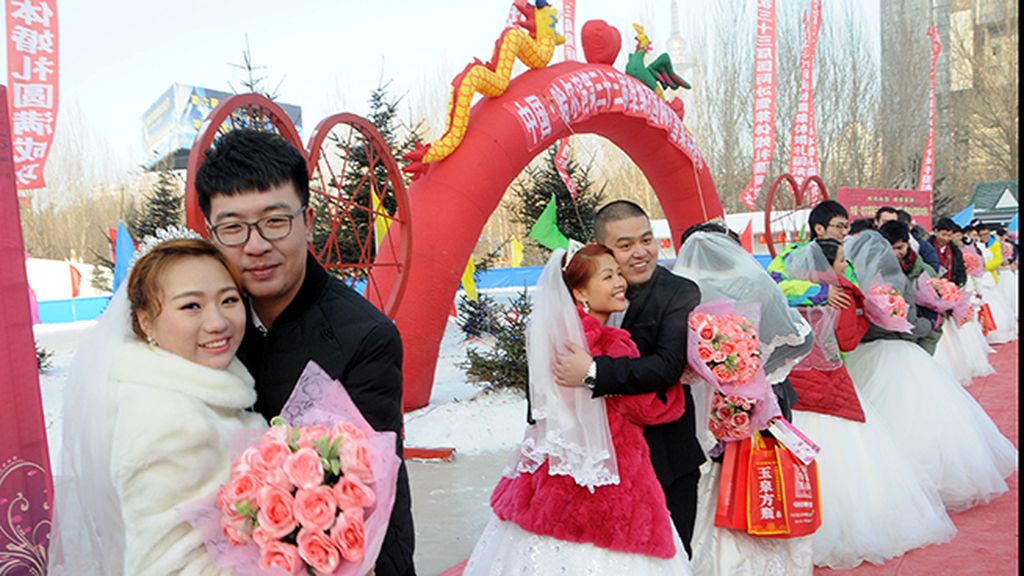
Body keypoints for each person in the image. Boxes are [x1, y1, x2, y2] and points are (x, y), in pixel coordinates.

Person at [194, 128, 415, 575]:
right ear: (211, 233)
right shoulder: (203, 328)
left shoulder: (363, 337)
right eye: (233, 227)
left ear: (308, 221)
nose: (256, 246)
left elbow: (367, 493)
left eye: (275, 221)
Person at [465, 245, 693, 574]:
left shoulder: (555, 338)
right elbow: (650, 410)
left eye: (618, 273)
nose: (620, 282)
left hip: (552, 478)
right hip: (613, 479)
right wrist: (679, 380)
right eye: (608, 276)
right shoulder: (611, 344)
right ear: (579, 292)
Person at [50, 236, 268, 575]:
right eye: (191, 306)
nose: (218, 322)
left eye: (228, 300)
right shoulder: (170, 421)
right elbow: (165, 567)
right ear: (145, 321)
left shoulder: (184, 392)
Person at [784, 238, 956, 568]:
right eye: (840, 261)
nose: (844, 266)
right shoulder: (842, 290)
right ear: (829, 262)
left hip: (796, 386)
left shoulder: (790, 287)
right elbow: (848, 340)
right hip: (832, 383)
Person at [551, 200, 704, 557]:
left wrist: (592, 373)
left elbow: (666, 365)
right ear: (604, 249)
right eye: (625, 245)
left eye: (646, 240)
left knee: (672, 553)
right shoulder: (578, 290)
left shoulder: (679, 293)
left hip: (665, 452)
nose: (641, 252)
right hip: (597, 457)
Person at [673, 223, 816, 576]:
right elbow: (801, 338)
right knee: (756, 473)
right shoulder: (758, 287)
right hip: (755, 401)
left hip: (695, 404)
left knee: (706, 476)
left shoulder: (678, 291)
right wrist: (756, 369)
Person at [843, 231, 1018, 512]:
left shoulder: (849, 284)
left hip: (862, 355)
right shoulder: (895, 282)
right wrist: (933, 322)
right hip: (899, 353)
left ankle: (884, 485)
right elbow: (908, 322)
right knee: (919, 415)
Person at [766, 199, 854, 309]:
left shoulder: (844, 256)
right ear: (819, 229)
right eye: (839, 226)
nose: (845, 232)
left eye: (846, 226)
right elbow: (774, 285)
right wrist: (819, 292)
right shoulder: (794, 255)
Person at [877, 221, 944, 354]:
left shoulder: (925, 273)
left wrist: (925, 353)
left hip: (917, 343)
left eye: (900, 248)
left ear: (908, 244)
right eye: (891, 249)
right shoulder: (874, 273)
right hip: (884, 346)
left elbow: (937, 318)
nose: (895, 253)